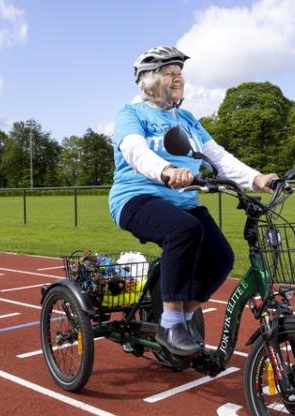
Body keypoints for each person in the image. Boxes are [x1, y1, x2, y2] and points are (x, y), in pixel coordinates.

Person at [108, 46, 278, 356]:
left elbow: (217, 157)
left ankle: (184, 315)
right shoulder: (131, 113)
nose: (177, 79)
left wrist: (257, 179)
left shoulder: (186, 118)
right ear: (148, 80)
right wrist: (166, 169)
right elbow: (134, 149)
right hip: (136, 198)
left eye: (179, 74)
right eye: (169, 74)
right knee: (183, 230)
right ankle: (170, 323)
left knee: (220, 258)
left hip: (182, 200)